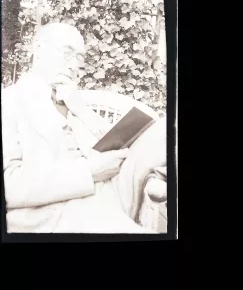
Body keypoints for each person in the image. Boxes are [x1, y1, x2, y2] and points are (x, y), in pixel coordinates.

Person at [2, 23, 167, 233]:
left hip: (109, 190)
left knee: (168, 128)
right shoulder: (9, 101)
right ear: (39, 49)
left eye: (79, 58)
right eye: (67, 53)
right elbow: (10, 186)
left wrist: (82, 111)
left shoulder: (71, 98)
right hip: (57, 210)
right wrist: (89, 172)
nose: (73, 65)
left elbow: (114, 145)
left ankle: (156, 179)